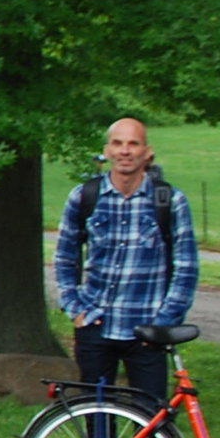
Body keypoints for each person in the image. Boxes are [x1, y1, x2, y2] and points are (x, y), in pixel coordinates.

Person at [54, 116, 198, 408]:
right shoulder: (85, 197)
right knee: (97, 422)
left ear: (147, 152)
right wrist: (76, 309)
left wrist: (163, 323)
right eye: (118, 143)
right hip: (96, 324)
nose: (125, 151)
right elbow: (64, 257)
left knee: (152, 425)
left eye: (133, 144)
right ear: (107, 151)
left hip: (146, 330)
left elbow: (186, 269)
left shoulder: (170, 200)